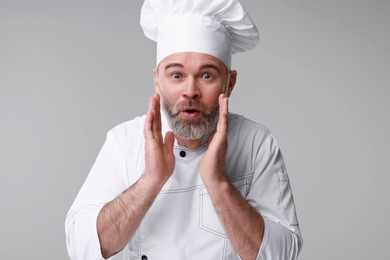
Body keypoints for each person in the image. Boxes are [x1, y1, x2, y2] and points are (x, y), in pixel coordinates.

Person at [65, 0, 303, 259]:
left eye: (207, 75)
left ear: (230, 84)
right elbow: (81, 248)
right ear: (157, 81)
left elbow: (282, 254)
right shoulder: (123, 141)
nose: (190, 91)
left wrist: (219, 183)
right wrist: (149, 181)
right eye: (176, 75)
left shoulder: (257, 143)